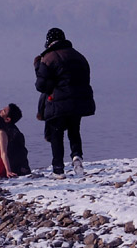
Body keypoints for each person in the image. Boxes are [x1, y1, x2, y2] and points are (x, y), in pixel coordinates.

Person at [34, 27, 95, 177]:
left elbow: (41, 85)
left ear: (48, 41)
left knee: (57, 134)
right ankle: (77, 157)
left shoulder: (48, 58)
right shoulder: (79, 56)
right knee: (74, 130)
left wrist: (38, 68)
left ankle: (58, 169)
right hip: (79, 101)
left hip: (58, 102)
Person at [0, 103, 31, 176]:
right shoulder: (2, 127)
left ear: (7, 119)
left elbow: (9, 152)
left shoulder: (12, 133)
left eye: (3, 111)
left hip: (14, 167)